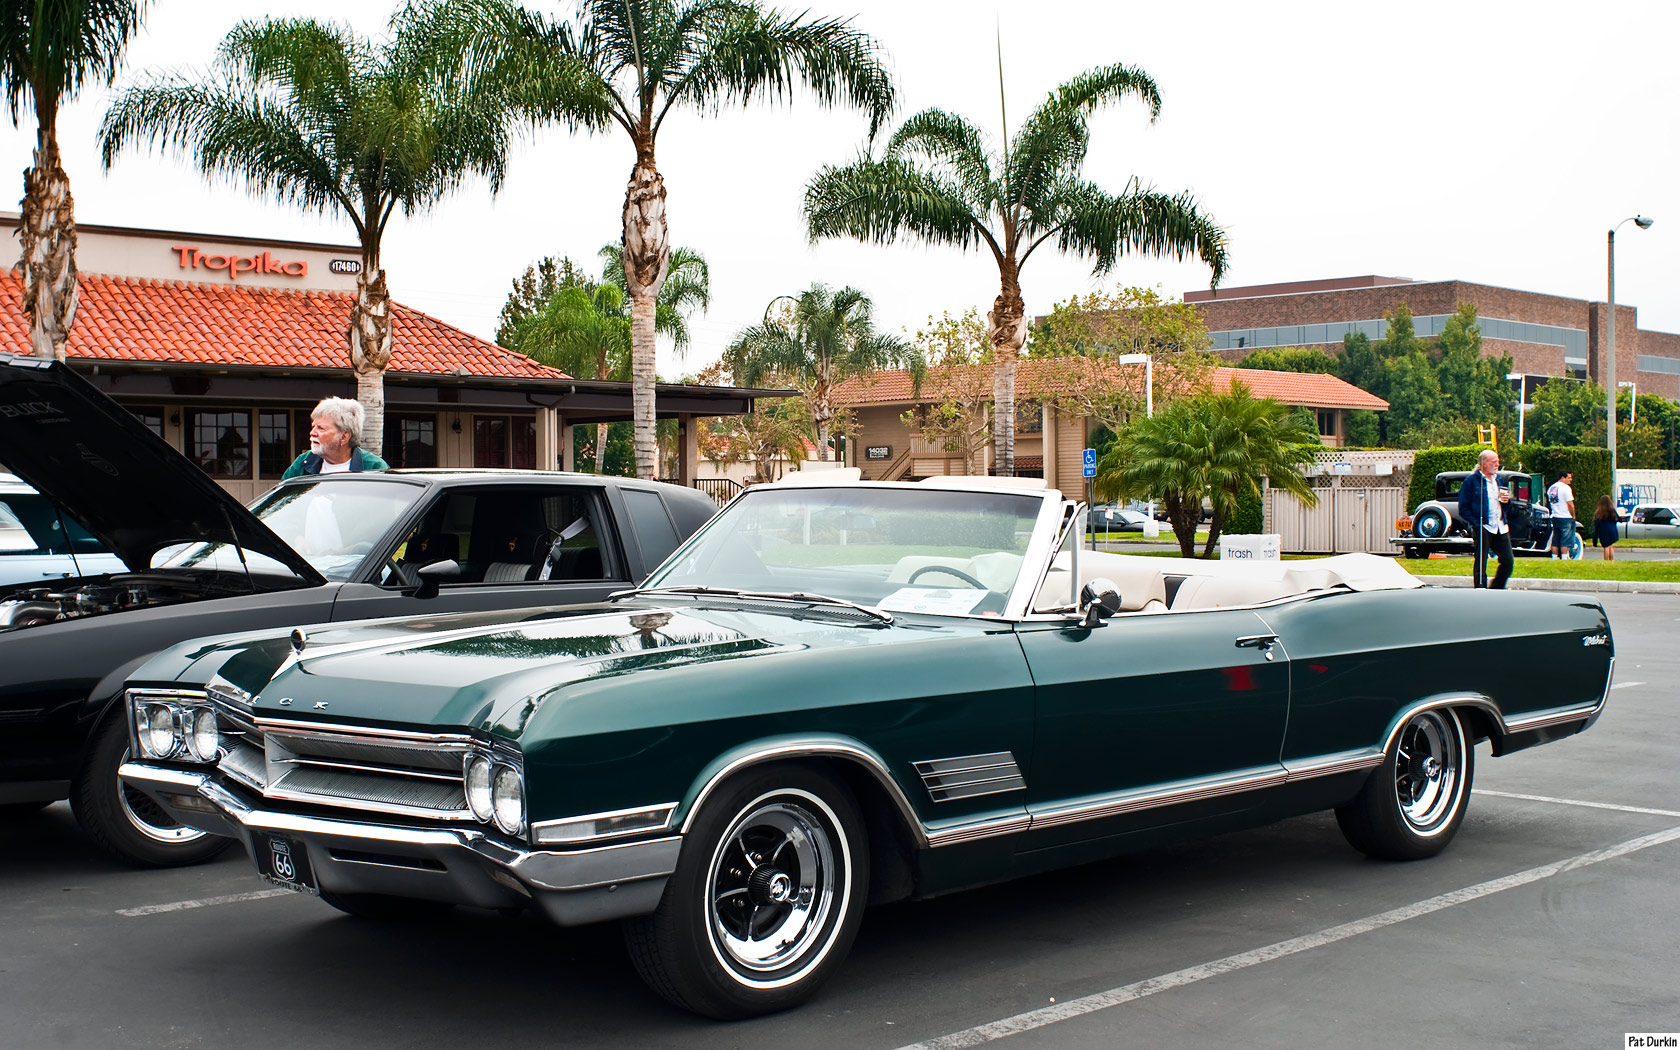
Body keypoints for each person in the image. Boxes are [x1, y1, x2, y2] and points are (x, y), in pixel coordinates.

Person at [281, 397, 389, 478]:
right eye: (313, 427)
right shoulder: (303, 463)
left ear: (343, 437)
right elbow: (282, 501)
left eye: (321, 428)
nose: (312, 433)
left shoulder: (374, 467)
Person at [1456, 448, 1513, 589]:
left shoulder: (1499, 480)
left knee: (1508, 561)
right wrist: (1476, 524)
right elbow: (1463, 507)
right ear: (1484, 463)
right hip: (1483, 525)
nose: (1497, 464)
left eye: (1498, 462)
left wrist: (1507, 501)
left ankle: (1496, 588)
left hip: (1500, 526)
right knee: (1481, 562)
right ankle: (1481, 589)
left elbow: (1505, 505)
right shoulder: (1471, 481)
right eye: (1494, 462)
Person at [1546, 471, 1575, 559]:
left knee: (1556, 538)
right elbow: (1570, 503)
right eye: (1569, 478)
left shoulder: (1551, 488)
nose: (1570, 480)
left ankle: (1554, 557)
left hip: (1555, 515)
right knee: (1565, 539)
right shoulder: (1566, 488)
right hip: (1565, 516)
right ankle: (1564, 557)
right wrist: (1573, 514)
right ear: (1563, 477)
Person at [1593, 495, 1620, 561]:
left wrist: (1595, 540)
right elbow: (1618, 519)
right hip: (1612, 531)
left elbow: (1596, 526)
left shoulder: (1599, 512)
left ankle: (1606, 561)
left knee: (1606, 547)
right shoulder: (1612, 510)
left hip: (1603, 532)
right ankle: (1611, 561)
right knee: (1610, 546)